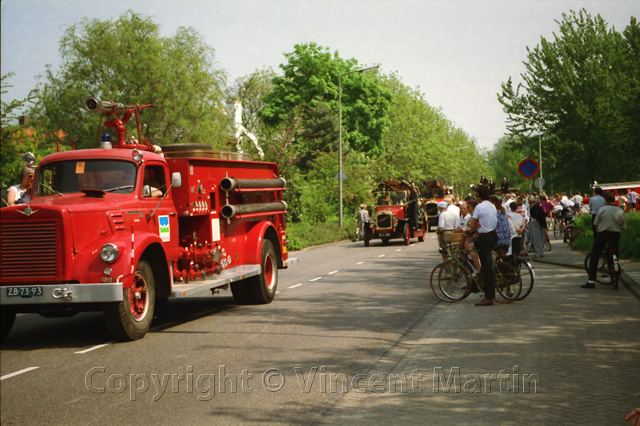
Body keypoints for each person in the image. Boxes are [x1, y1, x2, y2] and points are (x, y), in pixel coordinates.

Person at [583, 191, 627, 289]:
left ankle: (591, 281)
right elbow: (624, 227)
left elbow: (596, 223)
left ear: (605, 200)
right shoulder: (620, 211)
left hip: (603, 235)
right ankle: (615, 266)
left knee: (594, 256)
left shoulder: (602, 210)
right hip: (615, 235)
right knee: (615, 251)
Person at [467, 184, 498, 306]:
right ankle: (479, 272)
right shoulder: (492, 205)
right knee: (472, 246)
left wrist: (474, 227)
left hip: (485, 238)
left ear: (478, 195)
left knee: (487, 268)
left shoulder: (479, 207)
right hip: (492, 235)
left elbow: (472, 224)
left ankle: (488, 297)